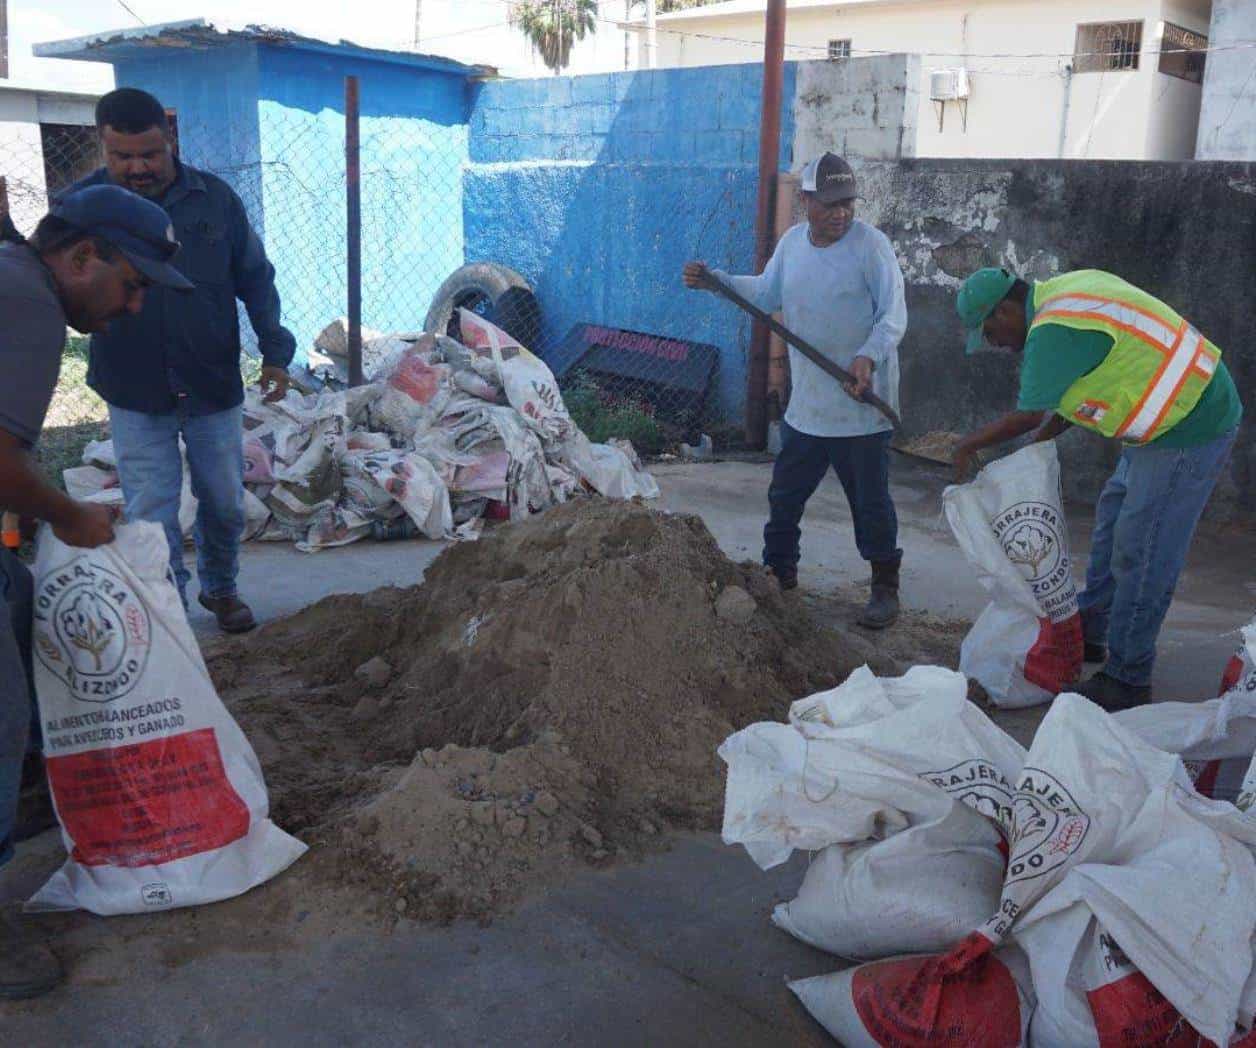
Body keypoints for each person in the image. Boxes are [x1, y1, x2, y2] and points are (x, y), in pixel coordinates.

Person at [0, 184, 194, 998]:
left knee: (17, 596)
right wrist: (69, 515)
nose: (137, 302)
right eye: (133, 280)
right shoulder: (28, 302)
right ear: (82, 258)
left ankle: (30, 786)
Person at [953, 267, 1242, 711]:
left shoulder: (1051, 333)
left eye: (990, 330)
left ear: (1007, 310)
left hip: (1190, 425)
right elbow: (1072, 393)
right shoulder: (1063, 294)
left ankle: (1128, 677)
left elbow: (1030, 414)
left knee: (1142, 550)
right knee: (1112, 523)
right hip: (1163, 421)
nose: (993, 342)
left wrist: (967, 445)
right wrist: (1034, 453)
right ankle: (1093, 630)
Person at [70, 87, 297, 633]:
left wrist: (275, 353)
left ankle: (221, 588)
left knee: (223, 501)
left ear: (170, 138)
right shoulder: (81, 208)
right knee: (152, 509)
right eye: (122, 156)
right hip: (133, 386)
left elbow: (254, 276)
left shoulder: (214, 200)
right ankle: (167, 603)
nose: (137, 167)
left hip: (211, 380)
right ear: (103, 145)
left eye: (149, 153)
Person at [682, 153, 907, 628]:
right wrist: (716, 282)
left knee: (871, 504)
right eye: (829, 204)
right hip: (808, 407)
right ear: (806, 202)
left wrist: (867, 356)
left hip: (861, 409)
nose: (840, 213)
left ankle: (885, 588)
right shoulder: (792, 246)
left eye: (847, 203)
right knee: (784, 497)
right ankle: (778, 575)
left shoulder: (872, 247)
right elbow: (765, 294)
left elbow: (892, 317)